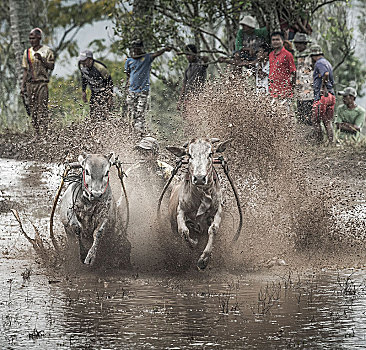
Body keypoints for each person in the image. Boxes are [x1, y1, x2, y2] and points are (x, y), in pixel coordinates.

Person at [124, 40, 172, 135]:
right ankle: (131, 132)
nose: (136, 51)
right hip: (131, 91)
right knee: (130, 112)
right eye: (134, 49)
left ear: (142, 49)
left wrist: (165, 49)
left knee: (140, 112)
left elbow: (156, 54)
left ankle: (139, 133)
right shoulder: (129, 61)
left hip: (143, 91)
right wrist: (127, 87)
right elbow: (128, 75)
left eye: (138, 49)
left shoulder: (146, 58)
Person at [21, 28, 55, 134]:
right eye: (30, 38)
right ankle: (37, 133)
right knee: (33, 110)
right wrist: (23, 86)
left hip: (42, 83)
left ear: (39, 38)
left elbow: (51, 66)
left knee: (42, 108)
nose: (32, 41)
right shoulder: (27, 52)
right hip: (30, 84)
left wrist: (42, 59)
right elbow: (25, 70)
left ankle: (44, 132)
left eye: (34, 38)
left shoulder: (47, 51)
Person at [310, 44, 336, 143]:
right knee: (327, 121)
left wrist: (322, 88)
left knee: (315, 119)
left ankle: (319, 142)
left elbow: (325, 74)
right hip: (331, 94)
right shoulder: (327, 62)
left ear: (313, 55)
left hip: (323, 96)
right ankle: (331, 142)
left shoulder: (319, 63)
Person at [78, 50, 114, 120]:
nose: (83, 63)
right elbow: (84, 78)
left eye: (84, 61)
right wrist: (83, 91)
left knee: (104, 114)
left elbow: (109, 81)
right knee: (93, 114)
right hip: (94, 92)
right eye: (81, 61)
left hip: (104, 92)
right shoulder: (81, 65)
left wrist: (110, 96)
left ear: (90, 60)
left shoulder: (100, 67)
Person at [177, 44, 209, 112]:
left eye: (189, 55)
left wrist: (205, 60)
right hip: (188, 97)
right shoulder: (188, 68)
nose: (188, 57)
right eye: (186, 55)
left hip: (198, 98)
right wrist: (180, 101)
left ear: (194, 54)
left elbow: (206, 63)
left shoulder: (201, 64)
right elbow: (184, 85)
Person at [268, 31, 296, 101]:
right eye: (273, 40)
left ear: (282, 41)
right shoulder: (271, 54)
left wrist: (291, 89)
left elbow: (293, 72)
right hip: (273, 91)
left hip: (285, 92)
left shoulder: (288, 54)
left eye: (277, 39)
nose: (275, 42)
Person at [293, 32, 313, 125]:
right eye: (296, 43)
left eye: (300, 43)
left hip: (309, 92)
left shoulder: (310, 56)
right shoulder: (297, 56)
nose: (297, 45)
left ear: (305, 44)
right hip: (300, 91)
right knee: (301, 117)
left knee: (308, 117)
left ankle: (312, 138)